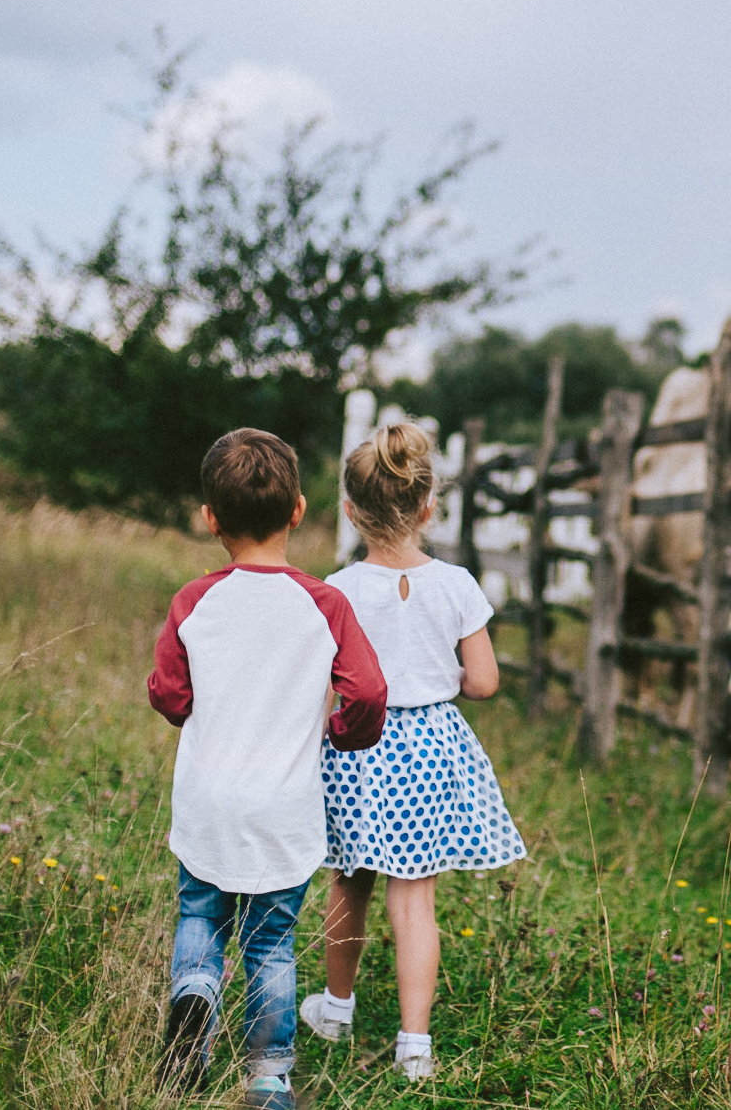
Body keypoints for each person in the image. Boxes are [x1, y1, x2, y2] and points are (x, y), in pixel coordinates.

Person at [147, 429, 389, 1110]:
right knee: (272, 941)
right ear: (299, 511)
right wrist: (340, 731)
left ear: (210, 518)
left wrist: (194, 704)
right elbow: (368, 691)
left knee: (200, 914)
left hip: (208, 803)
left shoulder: (195, 601)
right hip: (285, 808)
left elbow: (168, 693)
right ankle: (268, 1078)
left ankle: (194, 1008)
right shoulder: (324, 604)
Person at [302, 422, 526, 1081]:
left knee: (349, 879)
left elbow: (321, 685)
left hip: (357, 744)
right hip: (428, 748)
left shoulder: (337, 589)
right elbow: (483, 681)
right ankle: (414, 1045)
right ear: (428, 507)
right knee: (414, 898)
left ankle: (337, 1008)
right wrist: (434, 681)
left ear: (349, 510)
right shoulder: (456, 584)